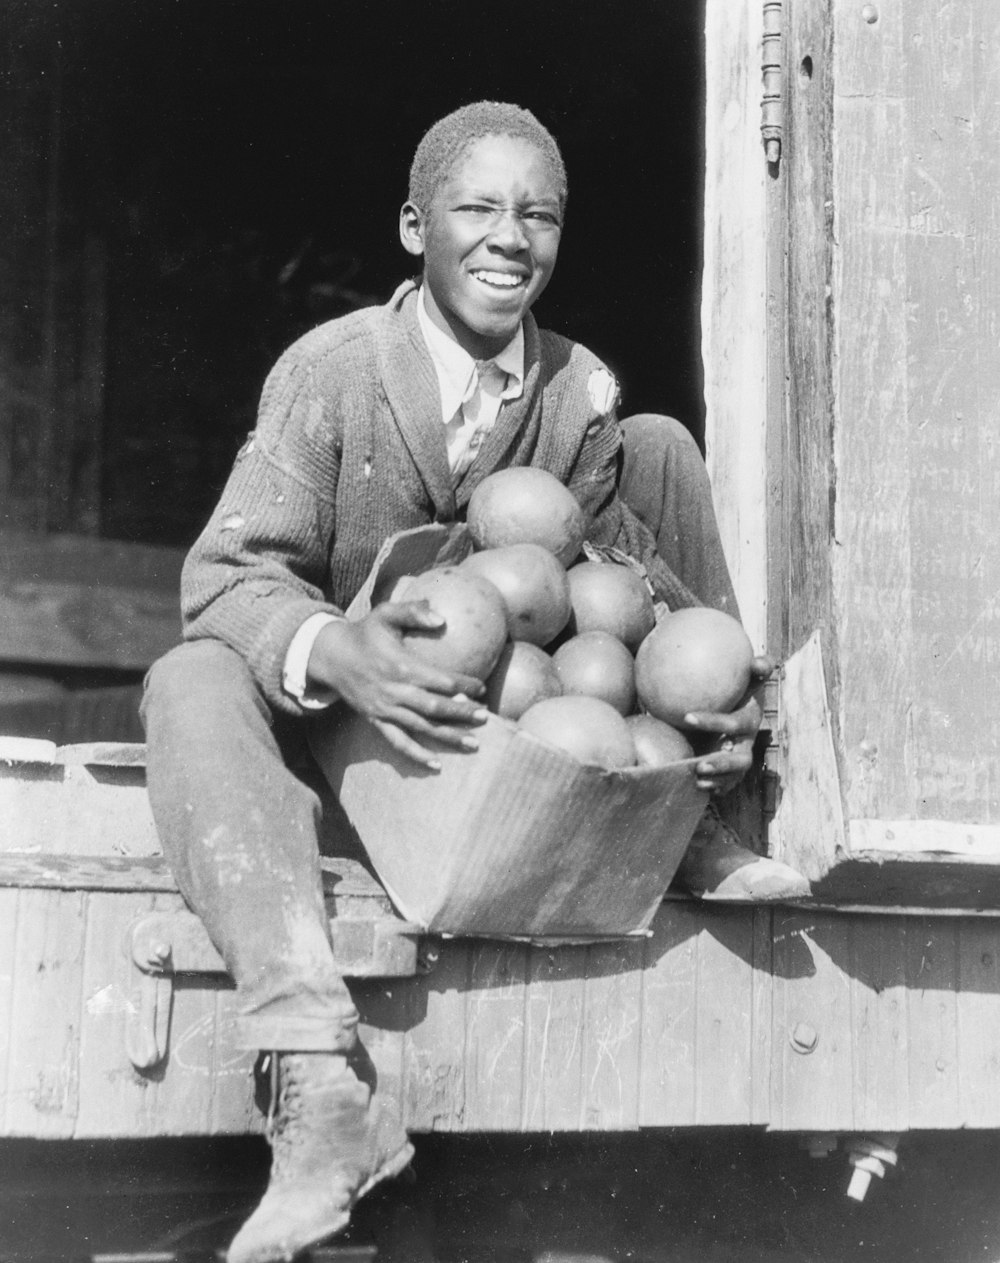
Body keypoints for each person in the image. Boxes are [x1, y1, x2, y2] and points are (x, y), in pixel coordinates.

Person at [141, 101, 806, 1263]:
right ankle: (315, 1085)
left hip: (515, 746)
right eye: (477, 208)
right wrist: (331, 648)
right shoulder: (335, 371)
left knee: (661, 451)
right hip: (358, 728)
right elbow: (226, 573)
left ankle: (701, 811)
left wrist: (695, 680)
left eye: (538, 215)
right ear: (413, 227)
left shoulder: (576, 392)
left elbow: (618, 583)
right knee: (192, 677)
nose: (511, 237)